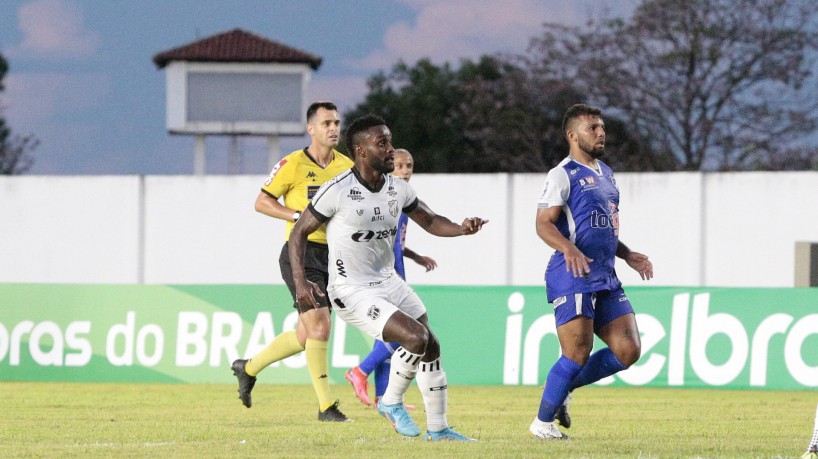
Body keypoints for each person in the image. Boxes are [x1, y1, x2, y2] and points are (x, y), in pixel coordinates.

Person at [288, 114, 488, 441]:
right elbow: (299, 233)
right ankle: (391, 401)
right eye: (382, 143)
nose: (391, 149)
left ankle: (438, 429)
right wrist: (300, 281)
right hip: (351, 289)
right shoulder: (337, 190)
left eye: (390, 141)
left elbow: (431, 220)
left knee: (431, 346)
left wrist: (461, 229)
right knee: (416, 338)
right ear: (361, 152)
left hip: (388, 281)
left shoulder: (398, 188)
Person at [530, 103, 654, 440]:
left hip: (606, 275)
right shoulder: (562, 174)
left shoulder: (607, 173)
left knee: (628, 350)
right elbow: (543, 224)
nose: (600, 133)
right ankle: (541, 424)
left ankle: (563, 389)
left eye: (601, 127)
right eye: (592, 128)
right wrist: (568, 248)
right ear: (572, 135)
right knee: (576, 352)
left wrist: (627, 254)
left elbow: (601, 228)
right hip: (572, 273)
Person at [230, 101, 354, 422]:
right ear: (310, 128)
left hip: (334, 256)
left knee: (305, 335)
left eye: (337, 122)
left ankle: (249, 368)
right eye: (326, 123)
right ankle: (327, 407)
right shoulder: (293, 164)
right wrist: (296, 215)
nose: (334, 128)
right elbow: (262, 201)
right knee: (321, 326)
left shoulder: (346, 167)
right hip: (301, 252)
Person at [344, 148, 437, 409]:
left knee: (387, 339)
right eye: (399, 166)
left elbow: (396, 243)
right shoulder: (383, 200)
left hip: (396, 273)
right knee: (401, 336)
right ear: (388, 168)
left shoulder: (402, 201)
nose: (405, 171)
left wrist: (416, 257)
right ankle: (360, 372)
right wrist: (391, 275)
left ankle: (383, 397)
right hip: (387, 277)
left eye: (409, 165)